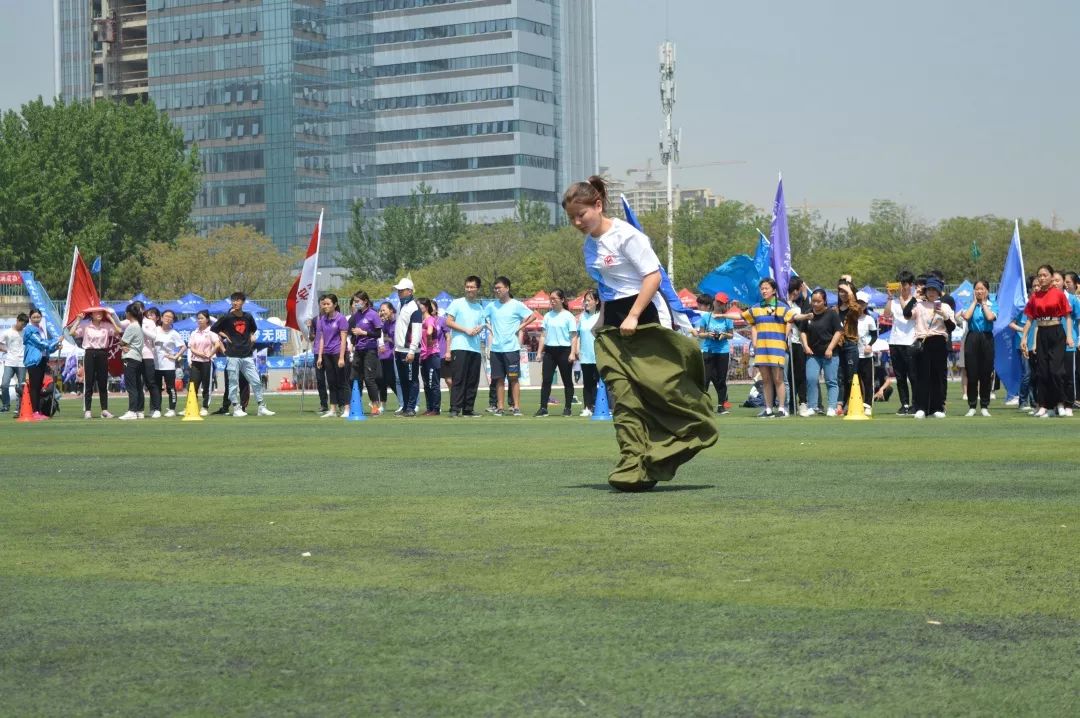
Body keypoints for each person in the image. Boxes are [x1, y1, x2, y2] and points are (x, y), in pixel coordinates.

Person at [564, 176, 717, 491]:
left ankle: (694, 428)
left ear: (597, 205)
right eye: (572, 218)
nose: (577, 222)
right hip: (614, 326)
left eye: (582, 214)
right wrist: (601, 322)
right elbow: (606, 289)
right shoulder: (589, 246)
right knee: (623, 398)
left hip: (645, 318)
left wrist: (634, 316)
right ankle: (633, 465)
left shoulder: (627, 235)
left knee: (661, 391)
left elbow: (652, 277)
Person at [210, 292, 275, 417]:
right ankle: (236, 408)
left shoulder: (248, 317)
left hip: (247, 355)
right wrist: (226, 336)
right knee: (233, 383)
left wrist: (251, 337)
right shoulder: (227, 317)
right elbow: (214, 328)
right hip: (233, 355)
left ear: (243, 302)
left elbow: (252, 330)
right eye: (233, 300)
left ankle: (261, 406)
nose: (235, 302)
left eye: (238, 300)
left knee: (256, 381)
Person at [1021, 264, 1073, 418]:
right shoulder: (1035, 297)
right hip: (1041, 333)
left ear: (1051, 277)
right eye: (1039, 275)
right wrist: (1024, 338)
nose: (1042, 278)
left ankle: (1061, 403)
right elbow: (1030, 320)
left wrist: (1069, 336)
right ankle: (1045, 406)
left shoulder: (1058, 294)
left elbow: (1068, 316)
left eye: (1045, 275)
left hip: (1057, 332)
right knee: (1043, 372)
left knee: (1056, 371)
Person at [743, 278, 797, 418]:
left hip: (777, 348)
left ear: (774, 290)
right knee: (766, 379)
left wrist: (808, 315)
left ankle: (782, 408)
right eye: (762, 288)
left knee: (778, 379)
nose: (764, 291)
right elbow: (742, 316)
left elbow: (794, 317)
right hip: (762, 349)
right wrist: (721, 315)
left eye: (766, 288)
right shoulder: (756, 308)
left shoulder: (782, 306)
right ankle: (768, 409)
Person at [485, 276, 538, 416]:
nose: (497, 290)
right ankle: (500, 407)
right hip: (496, 349)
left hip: (512, 349)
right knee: (499, 379)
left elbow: (533, 316)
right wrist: (486, 326)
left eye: (499, 288)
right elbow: (482, 318)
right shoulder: (491, 306)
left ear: (507, 288)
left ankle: (516, 407)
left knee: (513, 378)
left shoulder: (516, 304)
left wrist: (521, 326)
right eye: (495, 288)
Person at [908, 276, 955, 418]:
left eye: (934, 290)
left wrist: (944, 316)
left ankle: (937, 408)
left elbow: (951, 327)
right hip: (923, 342)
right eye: (929, 290)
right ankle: (921, 408)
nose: (931, 292)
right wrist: (913, 299)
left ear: (939, 291)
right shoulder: (919, 305)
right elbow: (906, 315)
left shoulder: (945, 306)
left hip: (939, 342)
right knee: (922, 376)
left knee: (938, 376)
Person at [445, 275, 486, 417]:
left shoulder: (480, 308)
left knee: (472, 380)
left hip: (474, 348)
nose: (469, 289)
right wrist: (466, 330)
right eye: (467, 286)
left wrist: (478, 329)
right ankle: (455, 408)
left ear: (477, 289)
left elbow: (481, 324)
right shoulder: (457, 303)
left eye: (472, 287)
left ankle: (468, 409)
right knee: (459, 378)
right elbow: (448, 322)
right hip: (460, 346)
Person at [71, 306, 122, 419]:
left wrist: (111, 318)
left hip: (102, 353)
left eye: (101, 313)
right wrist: (78, 320)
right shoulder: (86, 325)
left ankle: (104, 410)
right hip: (89, 353)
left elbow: (119, 331)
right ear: (92, 315)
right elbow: (72, 333)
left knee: (103, 383)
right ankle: (88, 410)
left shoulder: (106, 326)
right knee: (89, 382)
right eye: (96, 312)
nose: (99, 314)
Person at [799, 289, 843, 416]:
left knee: (831, 380)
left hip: (830, 354)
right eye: (813, 301)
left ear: (824, 301)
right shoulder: (808, 314)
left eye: (818, 301)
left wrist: (830, 348)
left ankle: (832, 407)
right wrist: (805, 346)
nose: (815, 304)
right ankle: (813, 406)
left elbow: (838, 331)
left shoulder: (832, 314)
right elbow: (802, 331)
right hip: (813, 354)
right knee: (811, 379)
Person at [535, 289, 578, 417]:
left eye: (554, 299)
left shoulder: (569, 316)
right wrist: (539, 352)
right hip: (549, 351)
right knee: (546, 380)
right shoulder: (548, 316)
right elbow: (543, 335)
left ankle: (568, 408)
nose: (552, 301)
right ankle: (543, 408)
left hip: (564, 351)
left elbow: (574, 336)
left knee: (567, 380)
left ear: (562, 300)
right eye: (550, 299)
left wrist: (572, 353)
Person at [882, 270, 919, 414]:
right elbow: (886, 314)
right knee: (900, 375)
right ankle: (904, 404)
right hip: (895, 341)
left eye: (906, 284)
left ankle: (916, 404)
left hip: (910, 341)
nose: (903, 287)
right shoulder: (895, 302)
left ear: (911, 285)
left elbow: (908, 315)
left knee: (913, 375)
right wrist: (890, 297)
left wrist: (903, 300)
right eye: (901, 284)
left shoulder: (916, 301)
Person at [960, 280, 997, 416]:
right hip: (972, 338)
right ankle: (972, 406)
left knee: (986, 374)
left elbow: (990, 317)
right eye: (976, 289)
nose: (979, 291)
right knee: (972, 373)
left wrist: (984, 304)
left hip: (987, 338)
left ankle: (984, 406)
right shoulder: (970, 304)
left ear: (987, 291)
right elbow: (967, 316)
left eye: (982, 289)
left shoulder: (993, 304)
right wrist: (975, 303)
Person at [693, 292, 734, 414]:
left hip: (722, 351)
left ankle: (722, 406)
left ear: (724, 305)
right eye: (717, 301)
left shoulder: (727, 318)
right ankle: (702, 406)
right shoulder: (706, 317)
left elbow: (731, 335)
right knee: (705, 379)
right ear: (714, 302)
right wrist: (708, 335)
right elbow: (700, 334)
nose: (718, 304)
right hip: (708, 350)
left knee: (721, 379)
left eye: (721, 303)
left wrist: (724, 335)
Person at [21, 308, 63, 420]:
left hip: (42, 360)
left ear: (41, 318)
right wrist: (56, 341)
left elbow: (46, 349)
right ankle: (34, 412)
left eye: (38, 317)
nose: (36, 319)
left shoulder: (41, 330)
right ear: (30, 318)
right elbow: (40, 343)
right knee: (34, 386)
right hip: (33, 361)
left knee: (39, 386)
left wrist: (55, 346)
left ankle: (38, 411)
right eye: (34, 317)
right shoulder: (29, 330)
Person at [348, 291, 384, 416]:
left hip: (370, 350)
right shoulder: (356, 315)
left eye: (358, 301)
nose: (355, 303)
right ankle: (356, 404)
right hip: (359, 349)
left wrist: (364, 333)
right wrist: (352, 342)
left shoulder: (373, 314)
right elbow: (352, 332)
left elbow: (378, 334)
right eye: (354, 301)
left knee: (369, 379)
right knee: (354, 378)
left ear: (365, 301)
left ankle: (375, 406)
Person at [315, 293, 350, 418]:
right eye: (324, 304)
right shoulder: (322, 319)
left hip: (338, 353)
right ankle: (333, 409)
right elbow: (322, 339)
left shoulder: (341, 319)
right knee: (331, 382)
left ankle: (346, 408)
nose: (325, 306)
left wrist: (341, 357)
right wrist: (320, 356)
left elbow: (343, 339)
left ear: (335, 305)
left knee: (343, 382)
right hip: (327, 354)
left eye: (328, 304)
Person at [392, 278, 422, 416]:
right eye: (398, 290)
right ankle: (405, 407)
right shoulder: (400, 305)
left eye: (401, 290)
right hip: (399, 350)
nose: (399, 292)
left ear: (409, 291)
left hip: (410, 351)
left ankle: (411, 407)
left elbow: (416, 331)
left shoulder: (414, 308)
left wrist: (412, 350)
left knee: (412, 380)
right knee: (403, 380)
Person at [187, 310, 223, 416]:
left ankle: (204, 407)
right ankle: (192, 406)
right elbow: (191, 347)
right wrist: (199, 354)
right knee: (192, 385)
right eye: (198, 318)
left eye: (202, 318)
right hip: (195, 362)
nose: (199, 320)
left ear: (207, 319)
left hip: (207, 362)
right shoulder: (194, 332)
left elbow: (217, 344)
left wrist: (209, 354)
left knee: (206, 385)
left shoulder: (211, 332)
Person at [153, 309, 186, 417]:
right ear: (161, 318)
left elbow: (183, 346)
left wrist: (176, 356)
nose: (168, 318)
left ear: (173, 320)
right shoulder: (155, 330)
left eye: (170, 317)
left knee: (170, 388)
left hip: (169, 365)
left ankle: (172, 409)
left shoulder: (174, 333)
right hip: (156, 364)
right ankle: (157, 409)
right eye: (166, 316)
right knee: (156, 388)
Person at [786, 279, 812, 414]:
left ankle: (803, 402)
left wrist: (806, 294)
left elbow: (807, 314)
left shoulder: (800, 304)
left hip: (798, 343)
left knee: (800, 374)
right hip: (786, 344)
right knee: (787, 377)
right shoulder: (782, 303)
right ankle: (789, 404)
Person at [574, 288, 602, 416]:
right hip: (585, 356)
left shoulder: (601, 315)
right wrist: (577, 350)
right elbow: (578, 335)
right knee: (587, 383)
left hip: (600, 355)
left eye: (589, 300)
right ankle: (587, 407)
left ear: (596, 301)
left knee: (601, 382)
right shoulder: (582, 317)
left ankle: (603, 406)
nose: (586, 303)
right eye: (585, 301)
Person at [117, 304, 146, 421]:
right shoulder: (138, 325)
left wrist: (121, 344)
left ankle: (132, 411)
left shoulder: (131, 326)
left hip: (130, 357)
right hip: (138, 358)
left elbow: (122, 342)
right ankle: (139, 410)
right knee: (138, 386)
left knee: (131, 386)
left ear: (129, 313)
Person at [835, 280, 859, 415]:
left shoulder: (854, 308)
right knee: (840, 376)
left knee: (851, 376)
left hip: (850, 344)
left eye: (846, 291)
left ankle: (852, 403)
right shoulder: (835, 309)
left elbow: (856, 310)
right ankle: (839, 404)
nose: (843, 294)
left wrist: (850, 292)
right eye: (841, 291)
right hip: (838, 345)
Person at [416, 297, 443, 415]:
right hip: (424, 356)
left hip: (432, 355)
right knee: (426, 383)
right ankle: (429, 407)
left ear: (426, 307)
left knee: (433, 383)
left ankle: (435, 409)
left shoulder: (429, 319)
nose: (417, 308)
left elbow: (430, 331)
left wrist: (428, 338)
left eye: (419, 305)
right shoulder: (421, 320)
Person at [855, 291, 878, 416]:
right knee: (854, 380)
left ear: (866, 305)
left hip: (866, 355)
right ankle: (855, 403)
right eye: (858, 302)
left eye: (862, 303)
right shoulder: (850, 317)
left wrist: (869, 345)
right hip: (853, 354)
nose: (860, 305)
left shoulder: (869, 319)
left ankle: (868, 404)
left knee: (868, 380)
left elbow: (874, 335)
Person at [0, 313, 28, 413]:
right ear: (17, 320)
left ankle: (20, 406)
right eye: (22, 323)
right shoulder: (7, 332)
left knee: (21, 387)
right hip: (9, 362)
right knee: (4, 385)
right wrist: (5, 350)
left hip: (22, 363)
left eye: (25, 325)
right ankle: (6, 405)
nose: (23, 326)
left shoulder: (26, 333)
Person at [139, 307, 163, 418]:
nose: (150, 316)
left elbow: (154, 337)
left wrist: (141, 327)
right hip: (136, 356)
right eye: (149, 314)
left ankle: (156, 408)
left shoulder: (150, 324)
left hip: (149, 356)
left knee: (151, 383)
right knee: (138, 384)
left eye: (152, 314)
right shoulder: (132, 321)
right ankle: (139, 409)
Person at [377, 302, 400, 407]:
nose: (382, 312)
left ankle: (402, 401)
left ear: (391, 310)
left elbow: (398, 339)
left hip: (394, 355)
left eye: (384, 310)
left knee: (392, 380)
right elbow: (381, 334)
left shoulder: (398, 322)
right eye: (380, 310)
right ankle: (383, 404)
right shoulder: (385, 323)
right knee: (381, 379)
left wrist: (391, 340)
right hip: (384, 355)